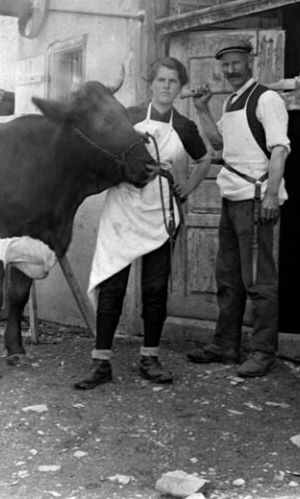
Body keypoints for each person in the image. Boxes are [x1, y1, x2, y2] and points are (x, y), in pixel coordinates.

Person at [74, 57, 211, 390]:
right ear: (151, 83)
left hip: (159, 212)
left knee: (154, 289)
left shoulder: (185, 126)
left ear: (180, 88)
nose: (166, 87)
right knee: (112, 285)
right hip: (123, 207)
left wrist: (187, 187)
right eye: (161, 80)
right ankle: (101, 362)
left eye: (173, 82)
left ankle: (150, 358)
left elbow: (205, 158)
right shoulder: (129, 117)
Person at [186, 39, 290, 378]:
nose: (231, 70)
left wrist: (272, 195)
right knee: (228, 276)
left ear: (250, 62)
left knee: (259, 280)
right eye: (226, 65)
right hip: (231, 197)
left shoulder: (267, 99)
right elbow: (219, 146)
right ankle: (226, 345)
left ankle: (263, 352)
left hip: (257, 198)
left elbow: (279, 150)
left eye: (236, 63)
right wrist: (202, 109)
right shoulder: (232, 101)